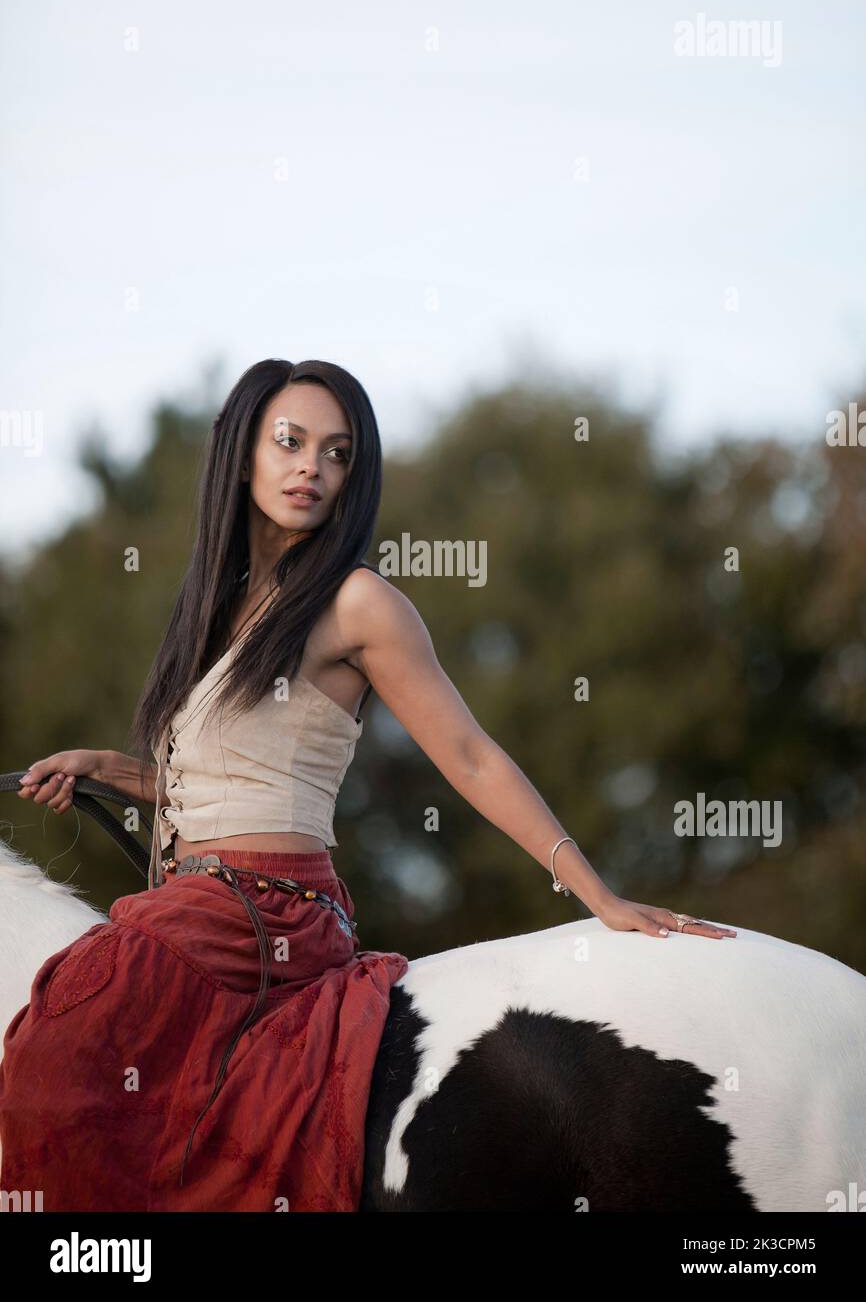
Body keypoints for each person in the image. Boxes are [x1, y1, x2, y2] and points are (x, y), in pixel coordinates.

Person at [0, 358, 736, 1214]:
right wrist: (108, 770)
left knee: (62, 1035)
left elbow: (468, 754)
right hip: (204, 903)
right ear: (244, 457)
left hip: (266, 912)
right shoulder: (222, 613)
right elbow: (227, 787)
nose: (314, 466)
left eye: (339, 452)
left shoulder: (357, 604)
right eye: (292, 442)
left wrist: (597, 895)